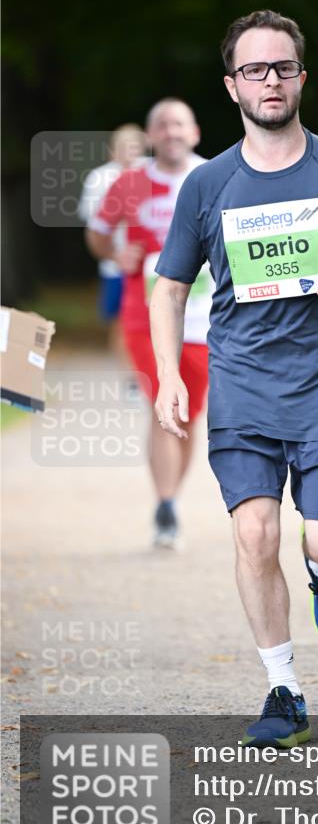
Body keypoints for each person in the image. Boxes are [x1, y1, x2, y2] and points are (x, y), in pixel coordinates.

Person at [150, 9, 318, 747]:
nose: (270, 80)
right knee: (255, 532)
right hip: (242, 381)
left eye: (282, 67)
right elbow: (169, 288)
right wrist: (171, 375)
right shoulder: (207, 184)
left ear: (302, 76)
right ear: (231, 85)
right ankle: (283, 689)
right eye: (254, 69)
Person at [86, 99, 210, 551]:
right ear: (151, 136)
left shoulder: (214, 177)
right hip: (145, 315)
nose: (171, 132)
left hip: (204, 318)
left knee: (190, 414)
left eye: (179, 124)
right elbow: (98, 232)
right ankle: (165, 504)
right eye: (162, 125)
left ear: (194, 132)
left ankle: (172, 497)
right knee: (163, 404)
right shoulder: (131, 182)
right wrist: (115, 255)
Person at [78, 124, 147, 361]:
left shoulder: (154, 172)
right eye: (124, 147)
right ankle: (131, 376)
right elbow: (93, 225)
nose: (130, 152)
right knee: (119, 321)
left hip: (151, 264)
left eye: (135, 146)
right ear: (112, 150)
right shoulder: (99, 179)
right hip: (115, 265)